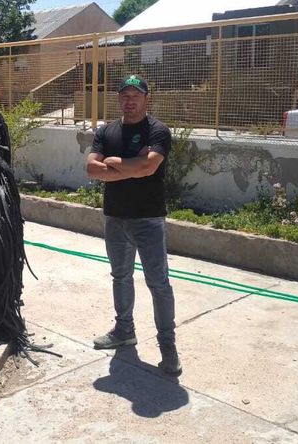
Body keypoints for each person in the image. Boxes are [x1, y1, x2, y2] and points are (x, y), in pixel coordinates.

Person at [85, 74, 181, 375]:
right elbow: (91, 168)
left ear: (146, 98)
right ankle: (124, 331)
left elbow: (149, 165)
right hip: (115, 217)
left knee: (158, 284)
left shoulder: (158, 131)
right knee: (121, 276)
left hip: (148, 219)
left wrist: (114, 165)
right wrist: (132, 168)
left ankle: (168, 347)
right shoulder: (106, 131)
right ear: (119, 98)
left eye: (135, 95)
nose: (130, 100)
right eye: (125, 95)